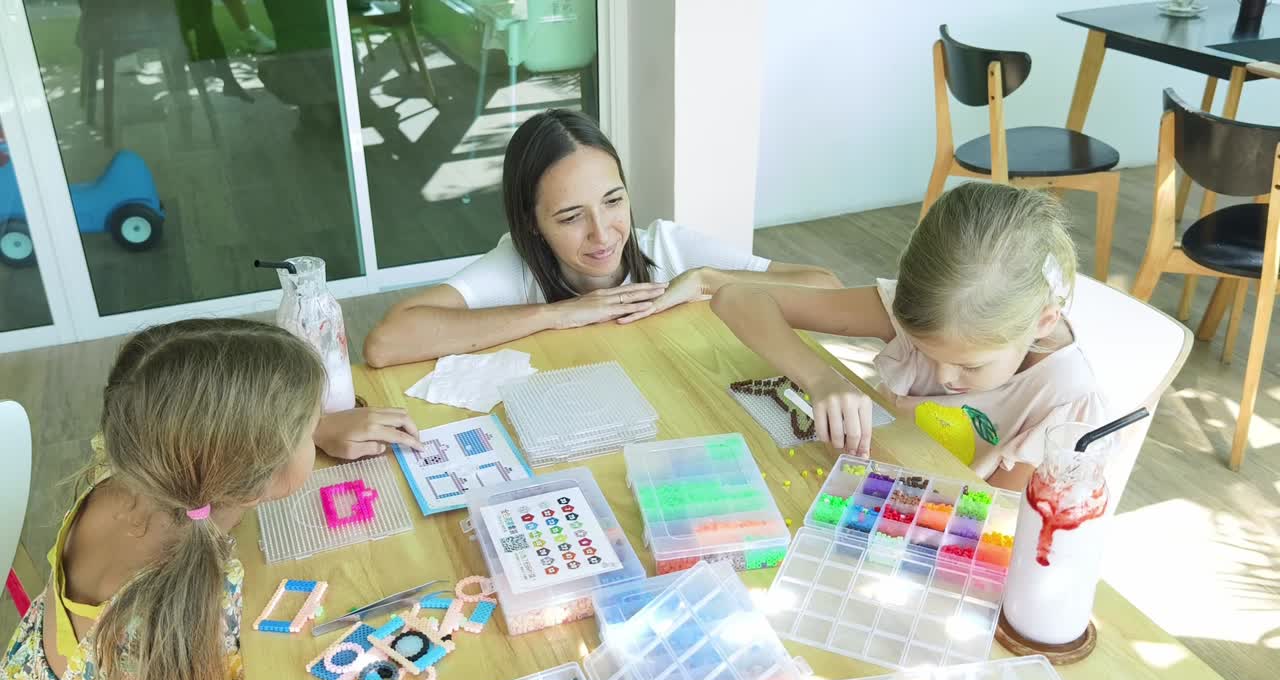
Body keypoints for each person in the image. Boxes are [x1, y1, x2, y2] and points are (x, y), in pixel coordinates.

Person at [2, 319, 326, 680]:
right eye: (310, 429)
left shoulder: (128, 471)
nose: (318, 431)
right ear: (251, 480)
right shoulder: (201, 601)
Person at [364, 109, 840, 367]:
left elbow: (827, 289)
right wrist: (558, 314)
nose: (602, 233)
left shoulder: (669, 247)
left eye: (613, 201)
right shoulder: (516, 265)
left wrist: (708, 279)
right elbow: (386, 342)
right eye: (571, 216)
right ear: (532, 224)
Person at [711, 183, 1107, 491]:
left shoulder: (1064, 399)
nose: (946, 377)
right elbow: (737, 299)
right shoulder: (927, 311)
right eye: (922, 350)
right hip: (869, 476)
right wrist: (820, 378)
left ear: (1042, 323)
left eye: (969, 366)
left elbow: (999, 521)